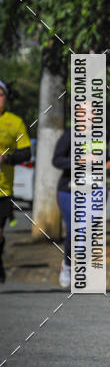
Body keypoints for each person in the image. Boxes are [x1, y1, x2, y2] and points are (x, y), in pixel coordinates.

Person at [52, 119, 110, 289]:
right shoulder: (69, 134)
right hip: (70, 190)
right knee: (73, 231)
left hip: (95, 188)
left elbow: (108, 157)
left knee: (91, 228)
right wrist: (78, 162)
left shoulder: (103, 134)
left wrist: (109, 164)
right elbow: (56, 160)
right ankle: (68, 265)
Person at [0, 80, 32, 283]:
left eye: (0, 95)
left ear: (6, 98)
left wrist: (7, 158)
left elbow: (26, 152)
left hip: (2, 189)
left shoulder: (15, 122)